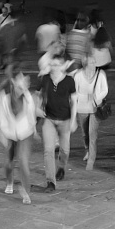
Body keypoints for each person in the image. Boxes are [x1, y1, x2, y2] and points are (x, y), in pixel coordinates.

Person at [0, 69, 36, 204]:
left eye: (24, 86)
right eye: (19, 85)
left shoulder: (28, 97)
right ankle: (9, 181)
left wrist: (34, 130)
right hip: (9, 133)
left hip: (25, 133)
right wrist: (1, 134)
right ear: (13, 83)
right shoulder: (3, 96)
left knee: (23, 162)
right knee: (8, 162)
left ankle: (26, 192)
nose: (21, 88)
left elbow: (32, 115)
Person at [38, 52, 77, 190]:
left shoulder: (69, 81)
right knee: (48, 150)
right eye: (52, 65)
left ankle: (61, 167)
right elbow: (38, 95)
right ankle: (50, 181)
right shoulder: (45, 79)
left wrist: (73, 120)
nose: (54, 67)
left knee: (65, 150)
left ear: (62, 66)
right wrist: (38, 108)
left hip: (65, 119)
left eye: (57, 65)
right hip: (49, 118)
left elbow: (73, 101)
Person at [73, 54, 108, 170]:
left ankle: (91, 160)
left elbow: (105, 90)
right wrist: (85, 96)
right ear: (85, 64)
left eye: (94, 62)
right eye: (92, 62)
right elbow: (74, 92)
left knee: (93, 134)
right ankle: (87, 150)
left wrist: (96, 98)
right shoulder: (78, 75)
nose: (94, 64)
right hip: (82, 108)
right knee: (85, 133)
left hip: (95, 108)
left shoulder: (100, 74)